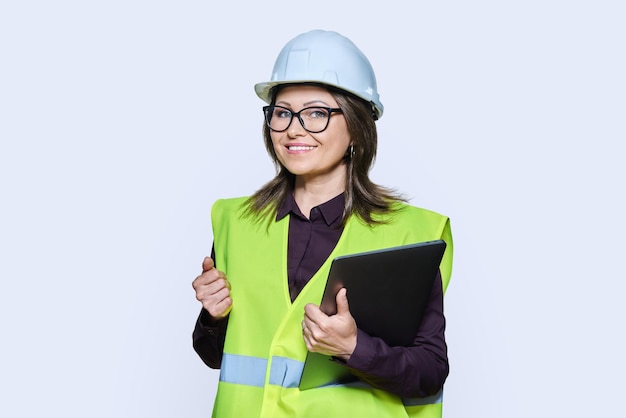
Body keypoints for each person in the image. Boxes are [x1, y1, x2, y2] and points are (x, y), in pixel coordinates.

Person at [192, 29, 453, 418]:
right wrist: (213, 316)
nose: (294, 129)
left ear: (356, 126)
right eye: (282, 112)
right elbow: (216, 358)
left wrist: (353, 348)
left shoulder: (411, 234)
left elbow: (430, 372)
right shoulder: (235, 221)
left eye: (316, 112)